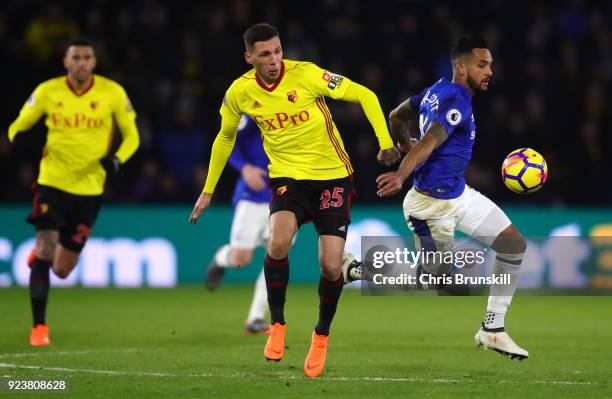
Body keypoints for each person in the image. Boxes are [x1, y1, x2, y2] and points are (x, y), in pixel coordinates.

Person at [189, 23, 400, 377]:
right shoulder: (239, 92)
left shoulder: (308, 75)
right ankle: (277, 325)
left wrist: (384, 142)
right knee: (278, 241)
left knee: (331, 266)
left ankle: (320, 336)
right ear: (249, 57)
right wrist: (208, 190)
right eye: (265, 54)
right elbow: (224, 138)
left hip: (332, 175)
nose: (274, 60)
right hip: (287, 178)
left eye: (277, 51)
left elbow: (365, 94)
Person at [372, 34, 529, 359]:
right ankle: (357, 269)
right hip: (431, 208)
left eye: (491, 65)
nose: (489, 71)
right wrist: (403, 172)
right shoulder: (458, 99)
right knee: (430, 281)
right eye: (481, 65)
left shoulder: (436, 89)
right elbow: (430, 141)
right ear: (461, 67)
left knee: (513, 244)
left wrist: (403, 143)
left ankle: (493, 329)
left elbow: (395, 116)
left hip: (458, 195)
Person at [7, 37, 140, 346]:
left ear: (94, 62)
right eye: (75, 58)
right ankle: (39, 328)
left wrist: (117, 160)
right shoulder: (47, 91)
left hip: (90, 189)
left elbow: (133, 136)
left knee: (63, 269)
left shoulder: (112, 92)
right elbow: (17, 127)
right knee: (45, 247)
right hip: (52, 182)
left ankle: (42, 255)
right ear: (65, 62)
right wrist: (22, 143)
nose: (81, 63)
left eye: (86, 58)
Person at [205, 114, 271, 334]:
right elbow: (227, 138)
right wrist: (245, 168)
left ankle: (256, 317)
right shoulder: (254, 108)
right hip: (253, 194)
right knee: (241, 259)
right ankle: (223, 257)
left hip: (285, 196)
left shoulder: (298, 104)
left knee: (278, 257)